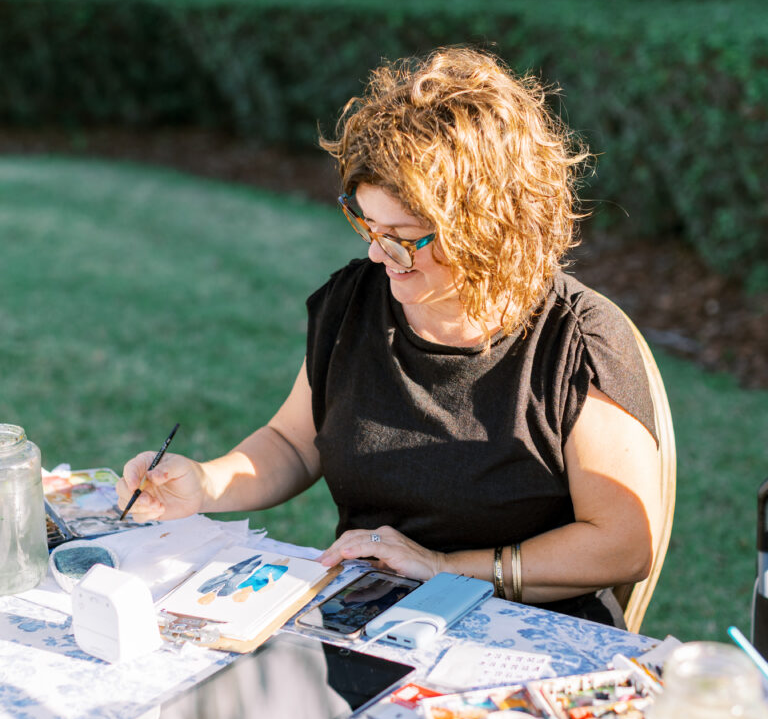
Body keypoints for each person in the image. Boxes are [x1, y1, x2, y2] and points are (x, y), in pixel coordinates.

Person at [117, 47, 661, 627]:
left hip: (525, 638)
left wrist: (444, 566)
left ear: (491, 227)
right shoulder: (357, 300)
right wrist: (206, 482)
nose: (379, 254)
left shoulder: (576, 341)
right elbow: (294, 442)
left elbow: (623, 542)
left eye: (404, 236)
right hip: (370, 618)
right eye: (369, 226)